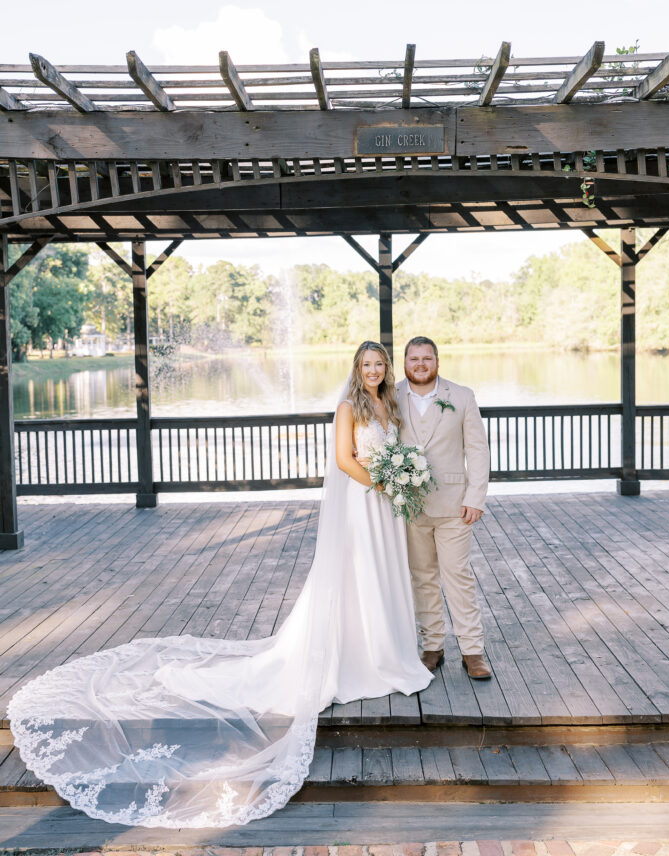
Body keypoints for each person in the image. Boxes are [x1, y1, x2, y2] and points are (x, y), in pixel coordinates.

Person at [8, 341, 431, 830]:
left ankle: (385, 650)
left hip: (386, 506)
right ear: (357, 369)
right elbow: (342, 460)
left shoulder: (389, 403)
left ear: (387, 369)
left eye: (379, 364)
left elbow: (394, 450)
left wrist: (398, 478)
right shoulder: (347, 407)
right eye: (367, 365)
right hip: (364, 502)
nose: (374, 370)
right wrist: (383, 482)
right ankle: (362, 656)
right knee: (358, 576)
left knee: (382, 575)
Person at [396, 336, 492, 679]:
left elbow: (477, 450)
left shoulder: (462, 396)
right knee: (422, 578)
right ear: (405, 362)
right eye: (414, 358)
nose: (420, 364)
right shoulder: (390, 396)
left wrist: (475, 497)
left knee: (458, 577)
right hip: (409, 506)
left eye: (427, 358)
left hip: (454, 505)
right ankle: (432, 646)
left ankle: (472, 651)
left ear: (437, 361)